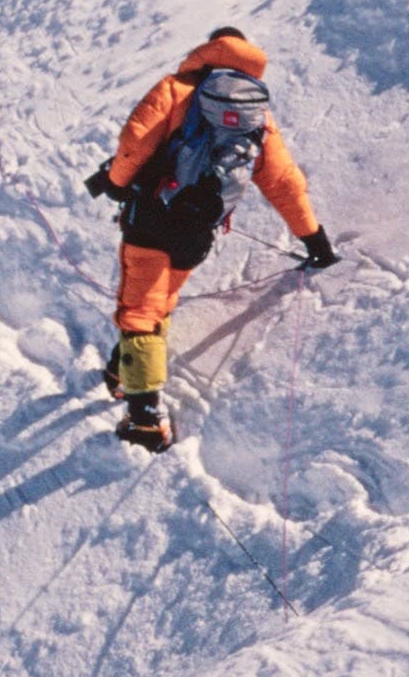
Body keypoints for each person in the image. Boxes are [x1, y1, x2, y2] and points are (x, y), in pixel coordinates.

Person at [84, 29, 337, 448]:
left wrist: (114, 182)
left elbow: (133, 144)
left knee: (140, 311)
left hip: (151, 218)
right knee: (158, 302)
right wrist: (314, 239)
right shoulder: (257, 116)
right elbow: (284, 183)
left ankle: (144, 418)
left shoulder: (177, 89)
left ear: (209, 50)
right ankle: (121, 370)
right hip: (197, 233)